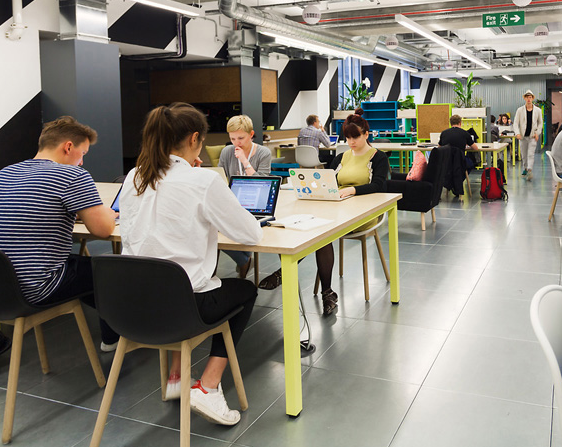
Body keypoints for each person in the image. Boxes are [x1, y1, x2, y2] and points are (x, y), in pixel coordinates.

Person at [119, 103, 262, 426]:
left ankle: (176, 377)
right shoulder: (203, 181)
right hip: (182, 309)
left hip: (132, 307)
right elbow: (250, 234)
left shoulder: (134, 176)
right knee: (245, 290)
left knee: (168, 279)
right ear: (195, 138)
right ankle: (208, 386)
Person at [0, 116, 119, 349]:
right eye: (82, 153)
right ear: (68, 147)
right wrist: (109, 215)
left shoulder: (5, 173)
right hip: (33, 289)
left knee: (84, 269)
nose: (81, 162)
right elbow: (103, 230)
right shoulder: (72, 176)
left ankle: (113, 331)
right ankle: (114, 339)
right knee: (109, 271)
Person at [257, 114, 389, 317]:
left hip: (363, 213)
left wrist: (352, 190)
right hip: (338, 208)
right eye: (348, 138)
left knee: (323, 233)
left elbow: (379, 185)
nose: (351, 142)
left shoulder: (378, 158)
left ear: (366, 134)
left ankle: (291, 275)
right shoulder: (342, 157)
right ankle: (326, 292)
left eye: (355, 137)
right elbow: (327, 179)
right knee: (311, 226)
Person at [217, 115, 271, 277]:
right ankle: (244, 261)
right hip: (232, 203)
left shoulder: (263, 153)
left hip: (256, 203)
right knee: (213, 233)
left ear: (251, 134)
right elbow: (221, 178)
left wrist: (245, 162)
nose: (236, 143)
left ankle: (244, 262)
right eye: (232, 139)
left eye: (241, 138)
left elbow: (263, 183)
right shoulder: (227, 152)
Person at [513, 89, 543, 180]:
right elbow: (515, 123)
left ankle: (529, 170)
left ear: (532, 98)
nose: (529, 99)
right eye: (527, 97)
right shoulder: (520, 110)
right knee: (524, 154)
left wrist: (537, 133)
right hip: (522, 136)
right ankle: (525, 168)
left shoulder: (537, 110)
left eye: (530, 97)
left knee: (530, 154)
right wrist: (517, 133)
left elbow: (540, 123)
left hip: (532, 136)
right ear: (524, 98)